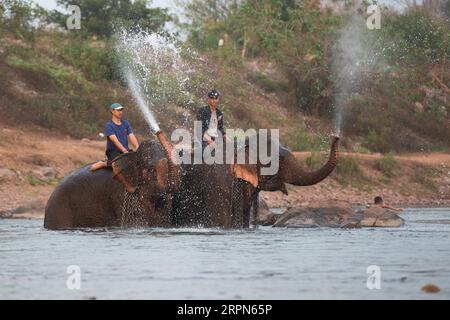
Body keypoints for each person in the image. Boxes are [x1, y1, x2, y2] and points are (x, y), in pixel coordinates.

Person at [91, 103, 139, 193]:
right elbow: (115, 140)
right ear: (112, 111)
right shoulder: (109, 126)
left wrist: (137, 146)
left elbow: (131, 136)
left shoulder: (125, 123)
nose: (120, 112)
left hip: (125, 151)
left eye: (121, 110)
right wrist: (124, 150)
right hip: (113, 151)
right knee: (117, 166)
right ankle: (128, 187)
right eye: (118, 110)